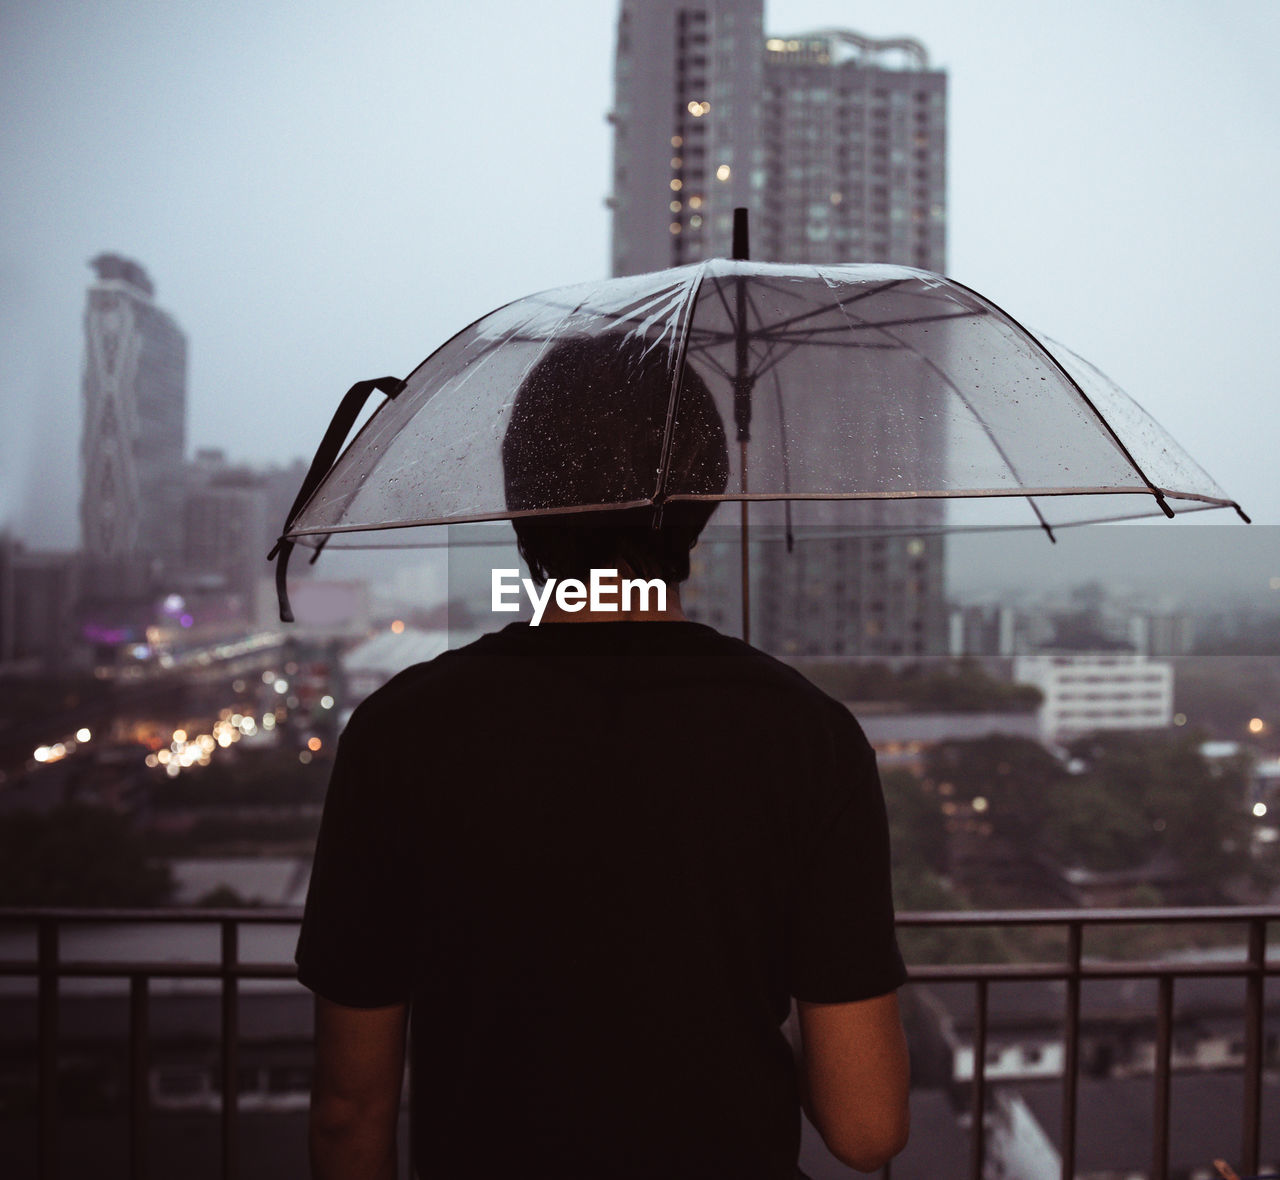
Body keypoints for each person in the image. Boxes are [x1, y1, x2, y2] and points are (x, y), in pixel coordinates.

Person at [295, 332, 910, 1179]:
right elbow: (867, 1127)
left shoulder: (401, 730)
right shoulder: (807, 736)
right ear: (702, 496)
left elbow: (347, 1112)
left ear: (520, 498)